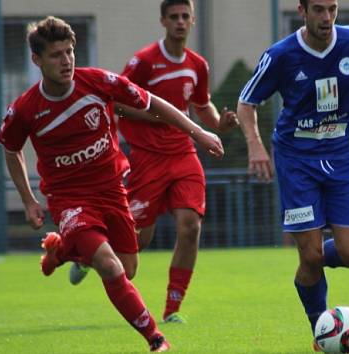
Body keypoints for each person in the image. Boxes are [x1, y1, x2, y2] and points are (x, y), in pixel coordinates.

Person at [0, 16, 223, 352]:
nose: (66, 60)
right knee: (109, 264)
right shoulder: (26, 109)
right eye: (56, 54)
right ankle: (156, 340)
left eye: (70, 51)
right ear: (37, 60)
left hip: (112, 191)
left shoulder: (98, 82)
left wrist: (199, 131)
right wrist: (30, 200)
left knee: (127, 269)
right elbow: (11, 149)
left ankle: (64, 249)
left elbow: (152, 103)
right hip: (69, 200)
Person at [236, 0, 349, 348]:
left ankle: (309, 267)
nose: (327, 17)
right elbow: (246, 103)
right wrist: (255, 146)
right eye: (318, 9)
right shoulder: (281, 55)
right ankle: (322, 331)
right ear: (301, 11)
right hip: (297, 162)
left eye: (332, 8)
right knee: (312, 256)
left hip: (342, 158)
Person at [117, 0, 238, 324]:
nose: (180, 22)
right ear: (163, 21)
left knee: (190, 226)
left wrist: (219, 123)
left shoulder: (197, 64)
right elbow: (116, 102)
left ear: (193, 21)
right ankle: (89, 254)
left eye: (185, 16)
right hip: (147, 158)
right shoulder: (143, 62)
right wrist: (157, 115)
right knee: (138, 240)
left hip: (184, 153)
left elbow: (202, 105)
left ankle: (172, 309)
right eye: (174, 17)